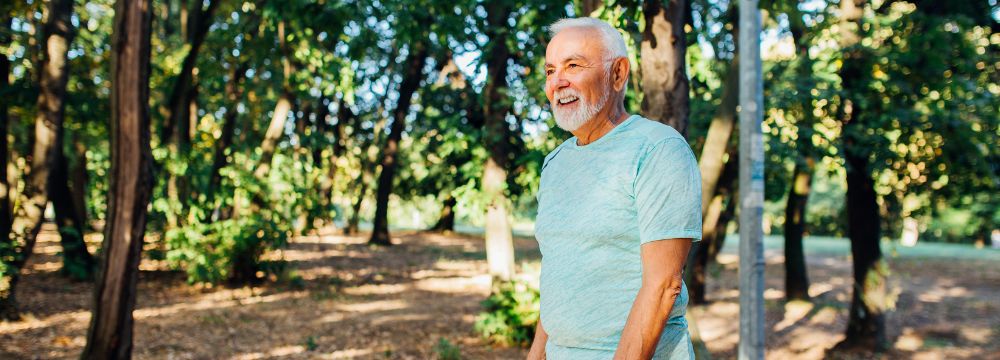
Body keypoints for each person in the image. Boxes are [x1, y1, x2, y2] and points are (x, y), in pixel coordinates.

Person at [527, 17, 702, 360]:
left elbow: (664, 285)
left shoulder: (658, 149)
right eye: (550, 71)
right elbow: (559, 279)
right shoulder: (554, 164)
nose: (557, 82)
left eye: (573, 65)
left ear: (618, 74)